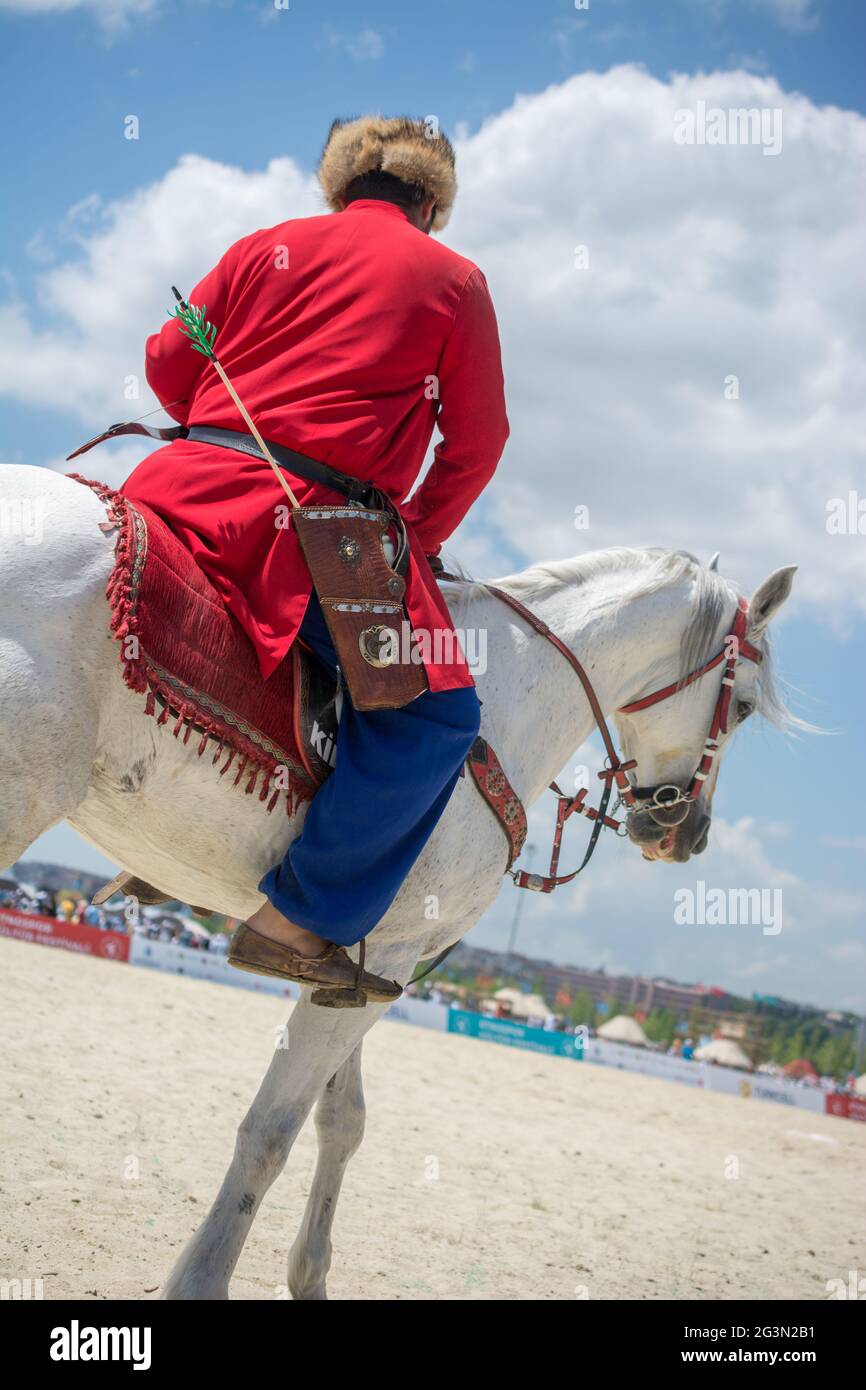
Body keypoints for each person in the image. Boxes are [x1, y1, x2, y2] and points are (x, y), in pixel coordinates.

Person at [121, 116, 509, 1003]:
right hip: (308, 531)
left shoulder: (266, 245)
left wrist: (225, 414)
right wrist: (417, 533)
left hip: (173, 490)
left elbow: (167, 362)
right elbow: (478, 442)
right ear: (435, 202)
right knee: (437, 719)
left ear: (337, 186)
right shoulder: (456, 279)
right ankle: (297, 920)